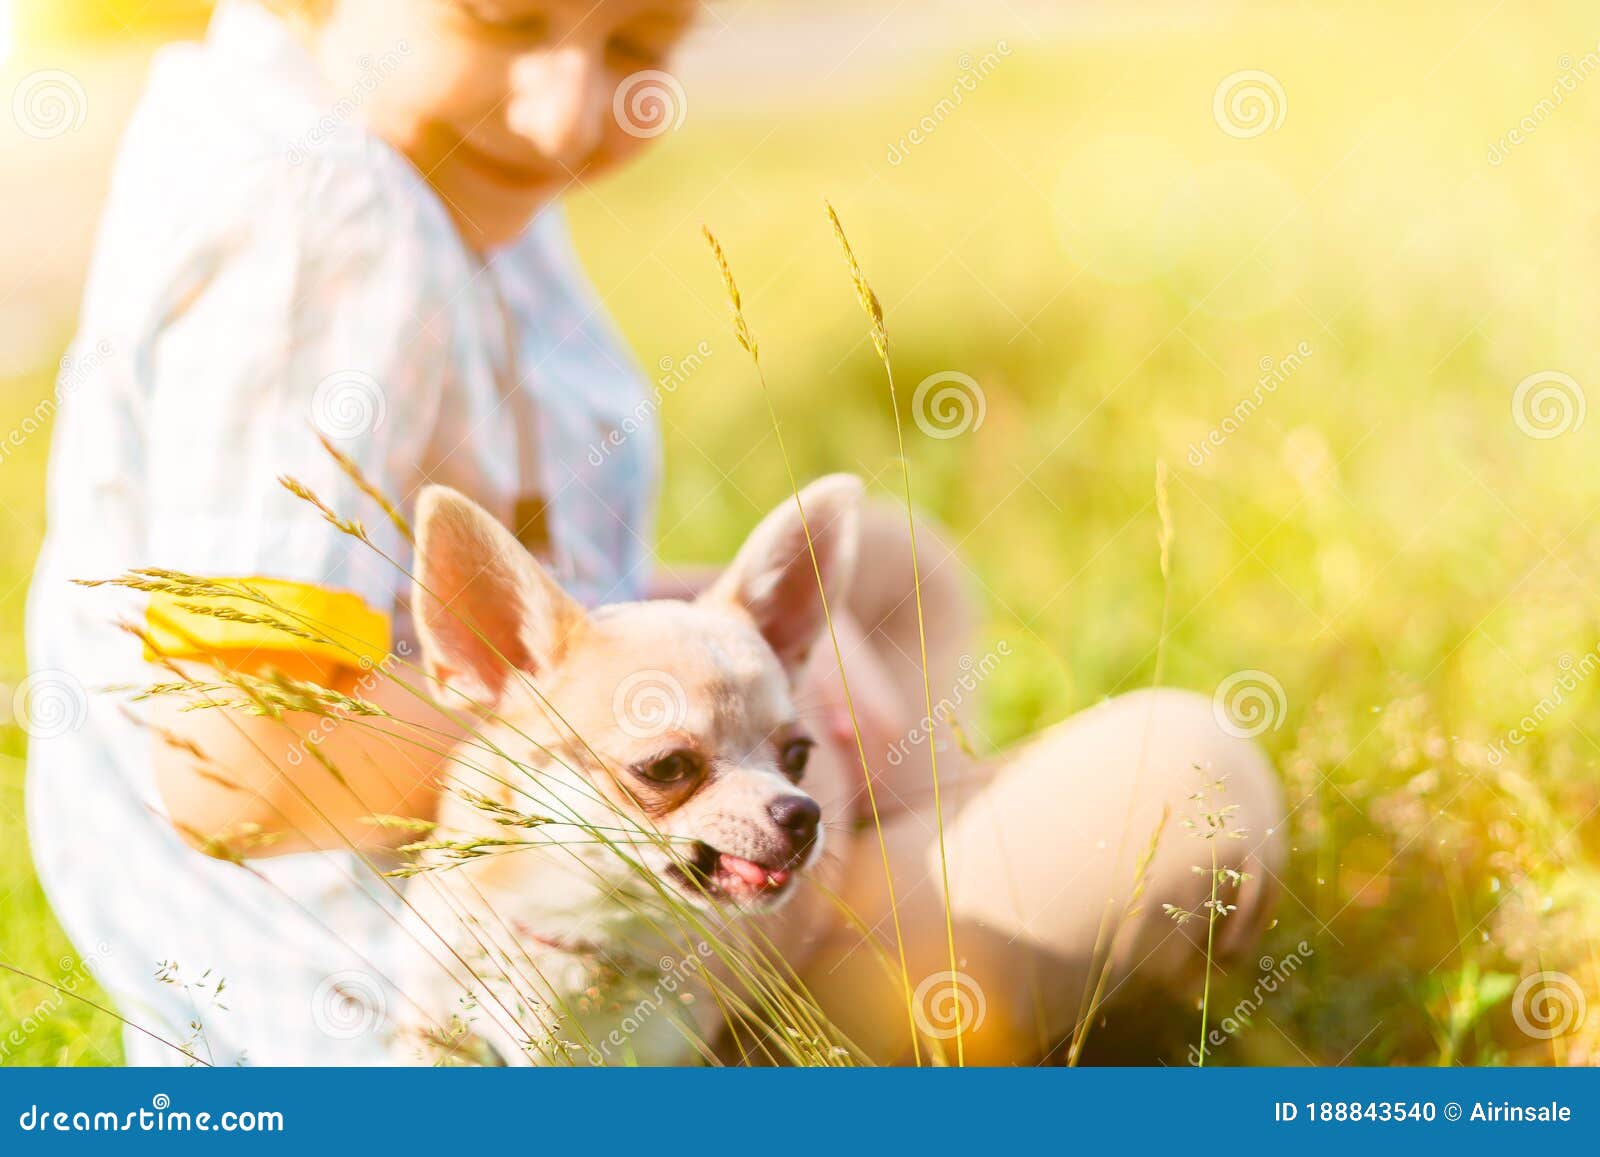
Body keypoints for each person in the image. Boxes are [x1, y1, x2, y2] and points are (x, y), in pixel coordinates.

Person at [25, 0, 1285, 1066]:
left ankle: (860, 845)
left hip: (587, 851)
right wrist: (667, 747)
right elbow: (238, 755)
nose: (571, 114)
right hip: (488, 992)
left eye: (637, 46)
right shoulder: (326, 220)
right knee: (1186, 777)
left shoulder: (373, 139)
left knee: (892, 573)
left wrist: (695, 666)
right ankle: (810, 971)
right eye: (505, 16)